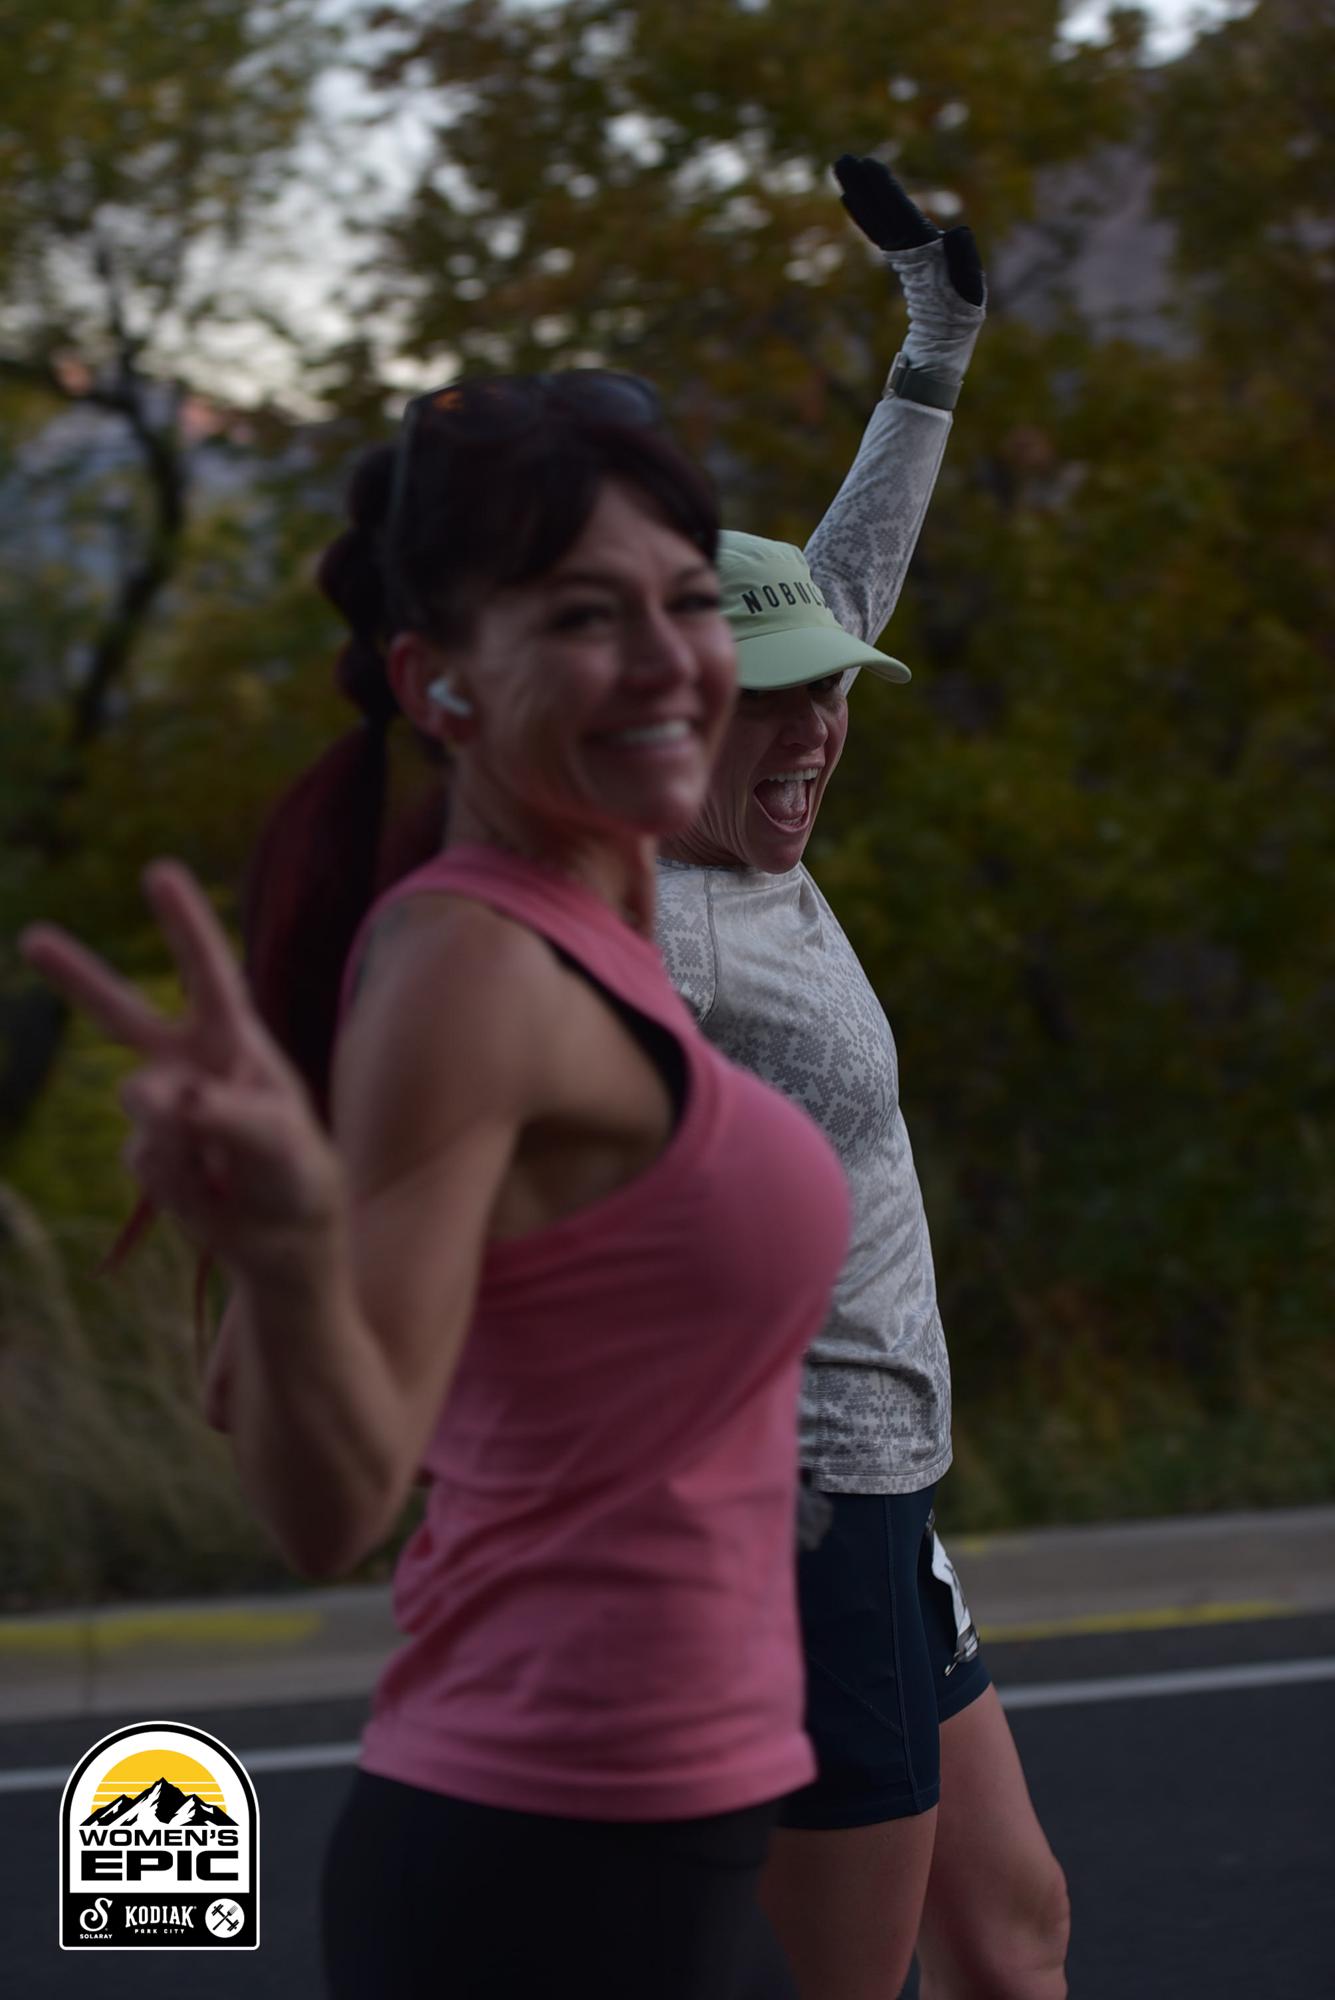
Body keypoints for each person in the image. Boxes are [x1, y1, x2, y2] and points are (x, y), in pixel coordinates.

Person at [20, 373, 853, 2000]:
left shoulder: (600, 918)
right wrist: (281, 1249)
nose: (667, 658)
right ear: (437, 681)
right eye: (582, 617)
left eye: (687, 601)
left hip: (674, 1823)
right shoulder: (474, 966)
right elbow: (329, 1503)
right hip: (549, 1860)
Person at [655, 159, 1071, 1998]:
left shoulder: (759, 820)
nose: (819, 730)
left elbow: (844, 580)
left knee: (1015, 1929)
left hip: (890, 1497)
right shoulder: (653, 930)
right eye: (777, 698)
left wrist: (937, 341)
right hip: (795, 1511)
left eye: (833, 689)